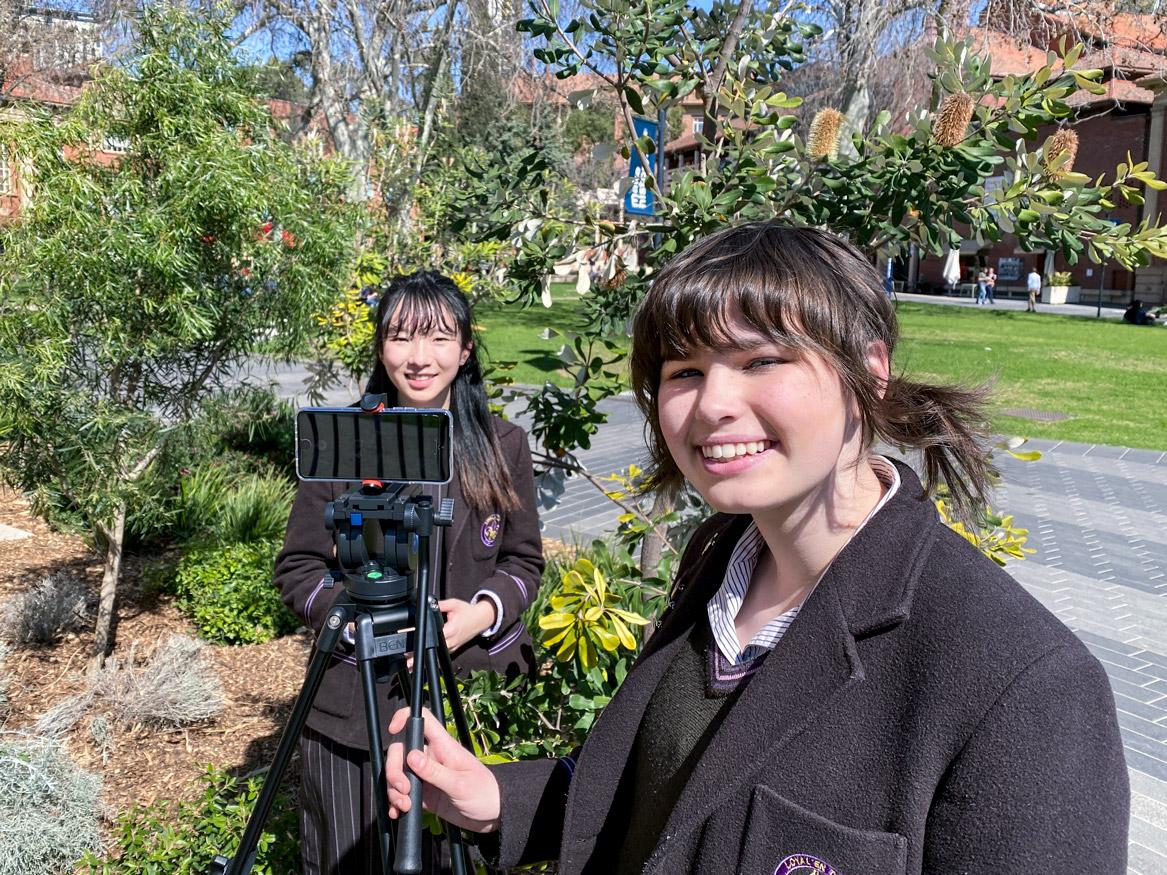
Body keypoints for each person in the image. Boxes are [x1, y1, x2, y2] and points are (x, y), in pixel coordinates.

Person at [385, 224, 1129, 874]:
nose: (712, 405)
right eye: (684, 372)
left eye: (762, 360)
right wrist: (498, 802)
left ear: (867, 371)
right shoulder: (719, 561)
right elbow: (675, 796)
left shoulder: (1021, 686)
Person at [276, 271, 544, 874]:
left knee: (456, 860)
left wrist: (480, 612)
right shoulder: (345, 443)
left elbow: (523, 561)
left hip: (465, 692)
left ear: (466, 349)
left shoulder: (503, 445)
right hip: (353, 701)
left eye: (439, 339)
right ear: (380, 348)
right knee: (347, 860)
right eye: (401, 338)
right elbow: (298, 567)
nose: (419, 359)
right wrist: (354, 624)